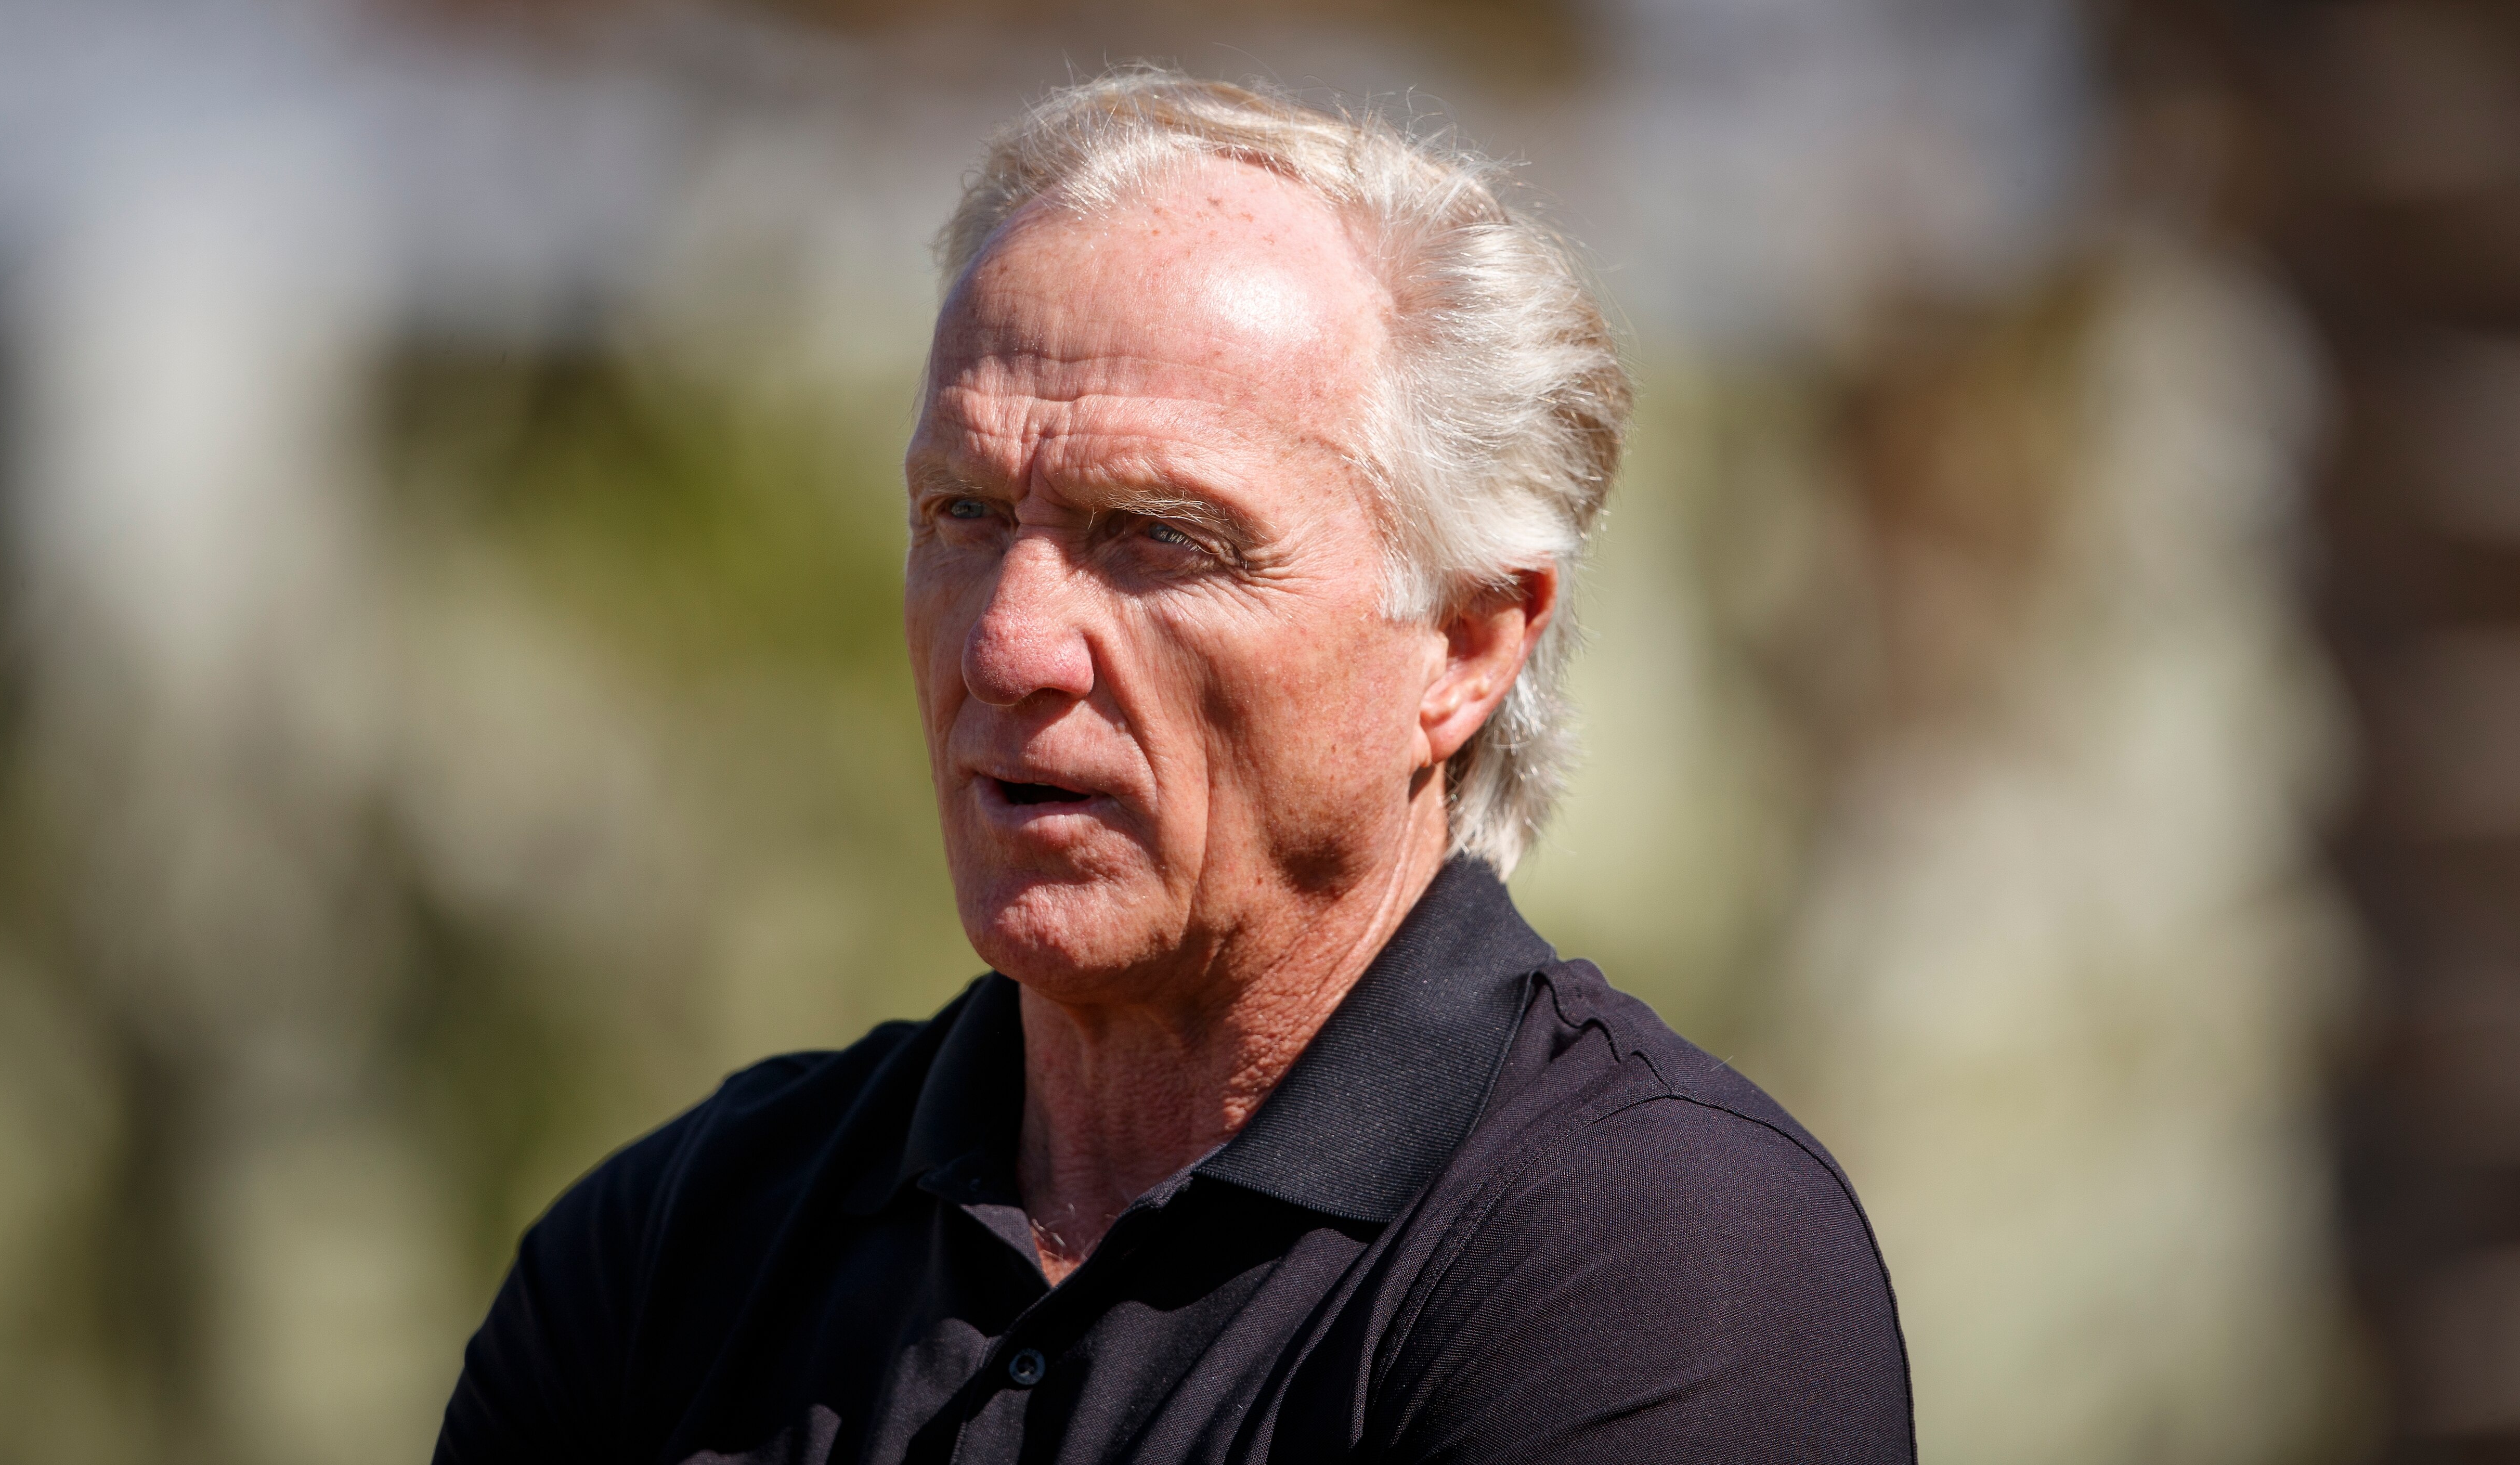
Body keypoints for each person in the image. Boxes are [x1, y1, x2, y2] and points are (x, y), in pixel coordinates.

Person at [435, 69, 1913, 1465]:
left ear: (1466, 644)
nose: (1011, 646)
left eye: (1160, 536)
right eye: (958, 512)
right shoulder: (679, 1248)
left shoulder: (1651, 1253)